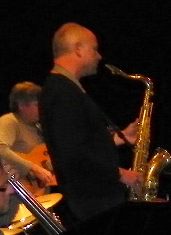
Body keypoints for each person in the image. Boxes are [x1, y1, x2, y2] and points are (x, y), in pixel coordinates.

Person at [40, 22, 140, 222]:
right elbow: (73, 155)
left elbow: (81, 143)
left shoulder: (64, 88)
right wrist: (120, 175)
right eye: (94, 49)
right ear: (78, 49)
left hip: (95, 198)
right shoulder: (62, 93)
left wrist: (118, 138)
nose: (99, 56)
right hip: (95, 201)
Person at [0, 82, 56, 189]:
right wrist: (33, 168)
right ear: (21, 105)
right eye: (37, 105)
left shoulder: (37, 126)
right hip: (18, 189)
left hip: (39, 190)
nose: (42, 108)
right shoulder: (10, 121)